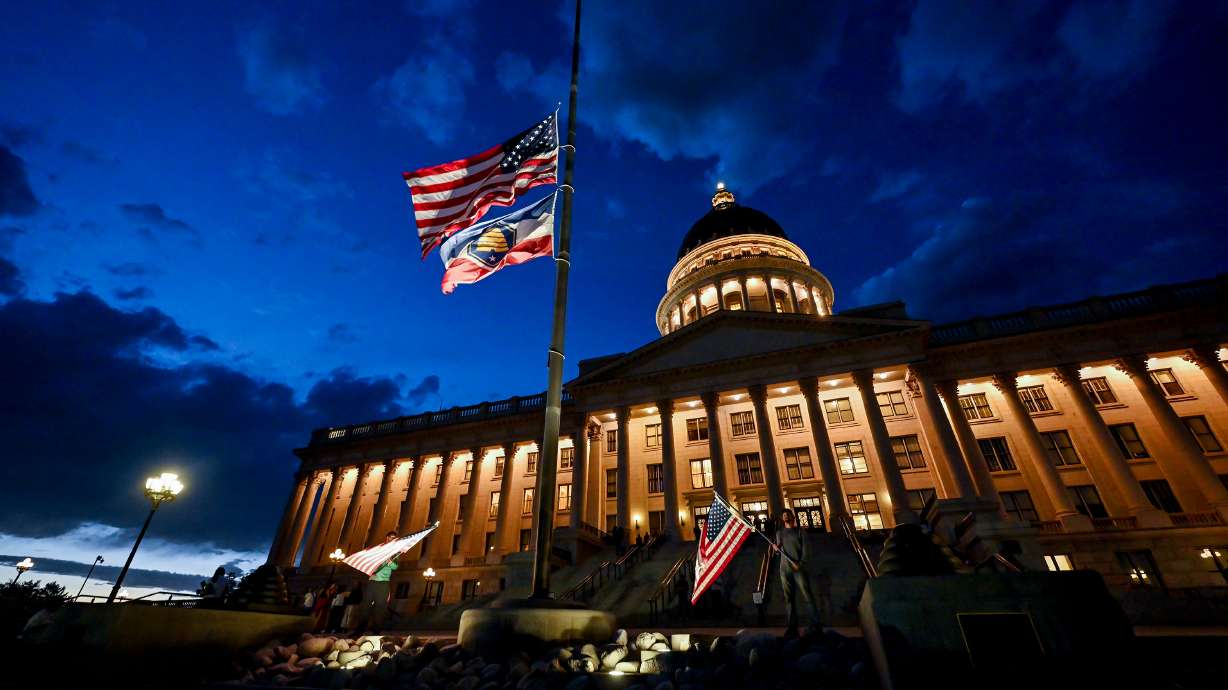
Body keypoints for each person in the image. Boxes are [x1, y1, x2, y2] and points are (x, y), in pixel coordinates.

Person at [775, 509, 822, 637]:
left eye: (788, 515)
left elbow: (807, 551)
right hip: (784, 569)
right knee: (789, 598)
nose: (786, 517)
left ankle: (815, 624)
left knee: (807, 596)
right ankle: (792, 627)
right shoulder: (780, 533)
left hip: (798, 569)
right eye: (784, 515)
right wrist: (776, 549)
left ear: (792, 517)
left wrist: (801, 564)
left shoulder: (800, 532)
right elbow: (779, 552)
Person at [353, 531, 401, 633]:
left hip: (384, 583)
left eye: (394, 538)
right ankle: (360, 630)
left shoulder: (395, 553)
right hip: (373, 581)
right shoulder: (379, 550)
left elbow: (395, 567)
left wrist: (390, 562)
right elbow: (370, 561)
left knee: (380, 607)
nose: (392, 539)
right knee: (366, 605)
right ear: (387, 538)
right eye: (391, 537)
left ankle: (376, 630)